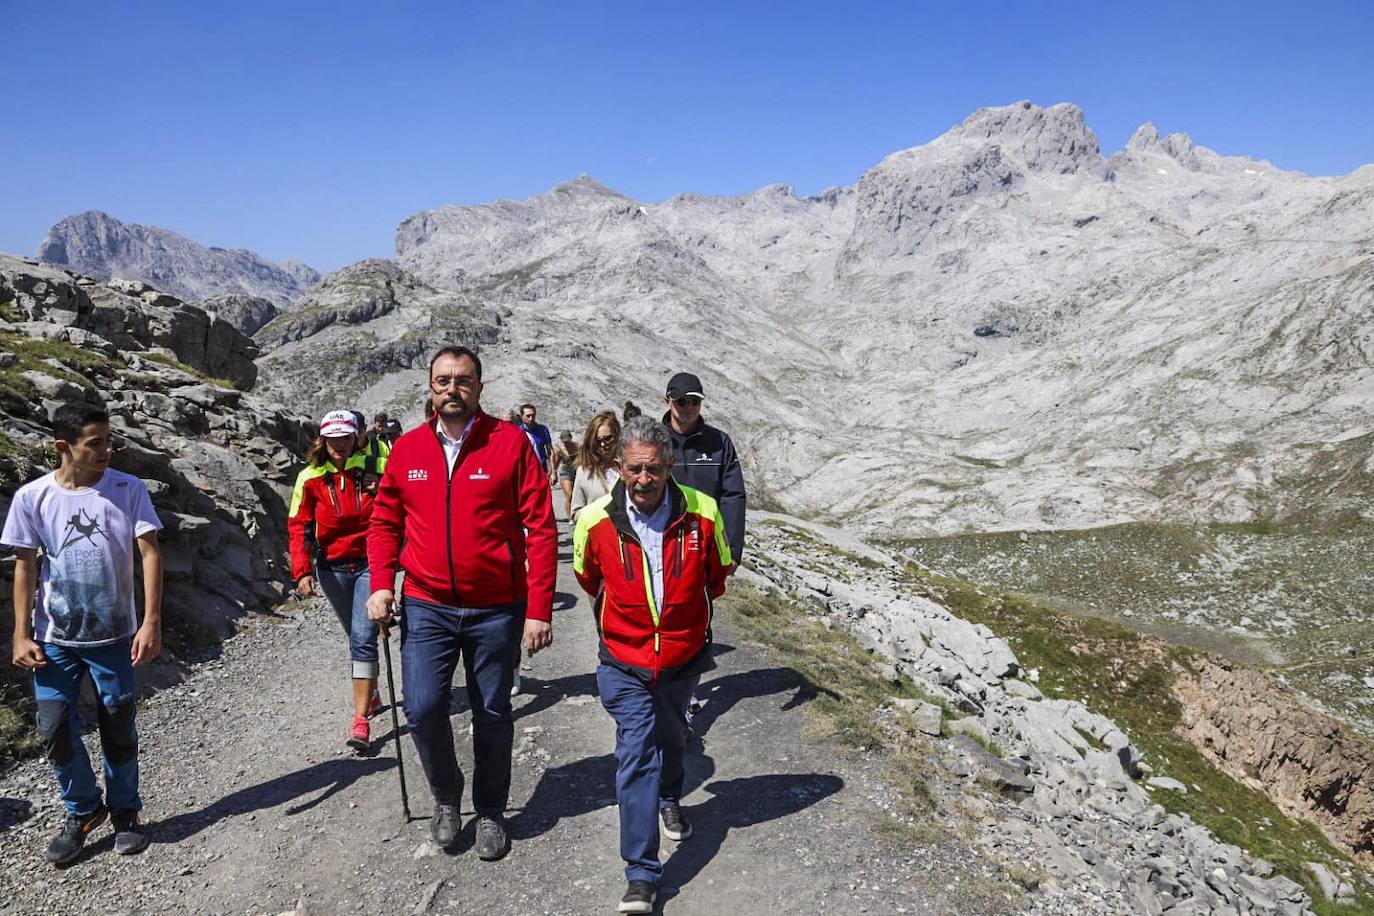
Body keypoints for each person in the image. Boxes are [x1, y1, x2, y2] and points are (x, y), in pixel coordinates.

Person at [366, 345, 556, 861]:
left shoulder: (511, 443)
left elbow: (540, 528)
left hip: (497, 607)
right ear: (430, 386)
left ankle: (491, 809)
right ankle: (447, 797)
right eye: (443, 380)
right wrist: (382, 583)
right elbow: (384, 522)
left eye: (463, 380)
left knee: (492, 710)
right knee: (424, 707)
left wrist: (539, 608)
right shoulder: (406, 449)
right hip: (427, 604)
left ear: (480, 386)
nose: (453, 389)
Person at [572, 417, 733, 913]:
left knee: (672, 738)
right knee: (636, 751)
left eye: (655, 469)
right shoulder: (594, 520)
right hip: (624, 660)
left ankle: (670, 795)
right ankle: (641, 873)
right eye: (635, 469)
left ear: (670, 468)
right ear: (619, 466)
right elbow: (588, 577)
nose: (644, 479)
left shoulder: (703, 512)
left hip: (682, 659)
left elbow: (718, 575)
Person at [2, 403, 164, 864]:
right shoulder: (32, 498)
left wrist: (150, 621)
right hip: (54, 638)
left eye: (109, 441)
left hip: (114, 636)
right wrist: (21, 634)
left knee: (118, 727)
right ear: (62, 447)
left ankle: (126, 812)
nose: (107, 450)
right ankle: (84, 809)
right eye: (95, 443)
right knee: (53, 727)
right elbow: (24, 566)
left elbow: (149, 553)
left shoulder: (127, 489)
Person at [287, 410, 385, 752]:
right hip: (332, 568)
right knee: (355, 634)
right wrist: (301, 571)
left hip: (373, 563)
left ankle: (360, 722)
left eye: (345, 437)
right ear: (323, 440)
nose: (339, 444)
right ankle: (371, 693)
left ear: (356, 437)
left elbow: (407, 498)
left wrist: (383, 485)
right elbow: (299, 525)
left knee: (362, 636)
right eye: (333, 438)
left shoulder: (375, 466)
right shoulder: (309, 478)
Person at [569, 410, 621, 520]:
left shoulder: (628, 468)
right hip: (598, 533)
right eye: (598, 441)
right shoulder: (584, 472)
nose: (603, 444)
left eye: (608, 438)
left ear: (617, 436)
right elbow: (575, 512)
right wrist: (596, 514)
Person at [549, 430, 578, 521]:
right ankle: (570, 517)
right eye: (564, 441)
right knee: (569, 495)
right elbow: (556, 463)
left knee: (579, 495)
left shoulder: (578, 447)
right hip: (566, 473)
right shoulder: (560, 450)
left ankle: (578, 513)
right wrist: (553, 474)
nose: (566, 443)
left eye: (568, 441)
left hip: (577, 472)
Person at [520, 403, 553, 474]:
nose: (531, 418)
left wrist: (553, 471)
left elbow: (550, 451)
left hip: (541, 469)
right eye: (528, 416)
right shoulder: (518, 432)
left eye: (533, 415)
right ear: (522, 416)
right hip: (525, 471)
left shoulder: (543, 429)